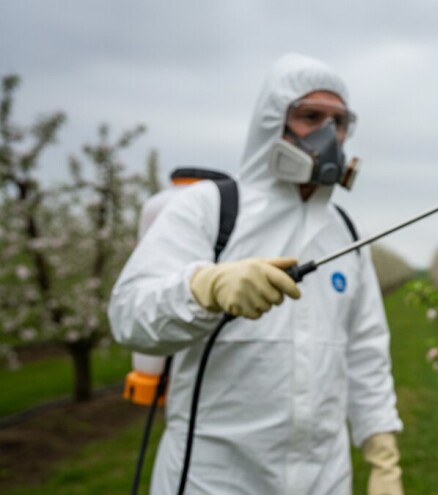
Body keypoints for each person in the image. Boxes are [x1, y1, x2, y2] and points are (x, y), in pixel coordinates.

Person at [109, 53, 404, 495]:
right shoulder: (209, 208)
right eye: (310, 116)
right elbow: (129, 315)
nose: (329, 134)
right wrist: (204, 287)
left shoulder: (344, 232)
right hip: (213, 478)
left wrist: (383, 457)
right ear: (273, 123)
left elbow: (365, 352)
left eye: (338, 122)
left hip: (324, 479)